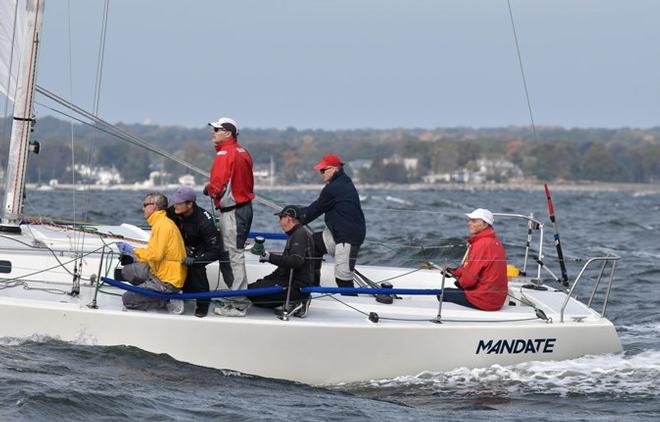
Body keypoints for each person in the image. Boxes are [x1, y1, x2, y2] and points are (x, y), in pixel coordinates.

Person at [204, 117, 255, 317]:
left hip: (233, 211)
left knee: (233, 255)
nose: (213, 132)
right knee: (232, 253)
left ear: (228, 133)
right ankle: (236, 296)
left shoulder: (225, 154)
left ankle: (238, 304)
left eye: (217, 129)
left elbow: (217, 186)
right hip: (243, 208)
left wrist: (209, 190)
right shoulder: (243, 152)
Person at [302, 153, 366, 291]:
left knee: (343, 280)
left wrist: (296, 219)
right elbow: (316, 207)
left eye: (323, 170)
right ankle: (313, 288)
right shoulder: (343, 181)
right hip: (337, 233)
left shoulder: (333, 188)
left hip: (347, 237)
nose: (321, 174)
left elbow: (315, 209)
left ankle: (353, 304)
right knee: (313, 243)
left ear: (334, 169)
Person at [117, 192, 187, 313]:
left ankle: (168, 299)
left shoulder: (162, 225)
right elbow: (154, 252)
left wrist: (132, 251)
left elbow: (155, 255)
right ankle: (148, 290)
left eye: (145, 205)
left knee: (127, 299)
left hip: (168, 280)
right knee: (127, 271)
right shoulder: (160, 223)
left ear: (154, 206)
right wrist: (134, 256)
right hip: (159, 271)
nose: (142, 208)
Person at [248, 205, 316, 317]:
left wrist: (269, 257)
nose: (279, 222)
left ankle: (298, 300)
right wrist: (265, 280)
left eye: (281, 218)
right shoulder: (296, 234)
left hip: (295, 287)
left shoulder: (299, 234)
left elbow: (296, 261)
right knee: (252, 290)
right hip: (288, 281)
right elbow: (283, 268)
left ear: (289, 218)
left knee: (251, 293)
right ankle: (292, 301)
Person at [167, 186, 222, 318]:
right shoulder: (172, 211)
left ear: (190, 204)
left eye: (179, 203)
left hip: (200, 249)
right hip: (181, 246)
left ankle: (203, 304)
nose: (175, 206)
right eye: (174, 202)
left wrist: (197, 260)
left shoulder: (205, 221)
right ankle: (175, 294)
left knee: (197, 268)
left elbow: (215, 251)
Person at [442, 208, 508, 311]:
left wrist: (460, 282)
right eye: (470, 220)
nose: (469, 223)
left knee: (442, 293)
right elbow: (476, 270)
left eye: (474, 221)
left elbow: (468, 281)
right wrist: (456, 272)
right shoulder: (496, 242)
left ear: (485, 224)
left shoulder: (481, 244)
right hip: (497, 299)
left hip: (484, 300)